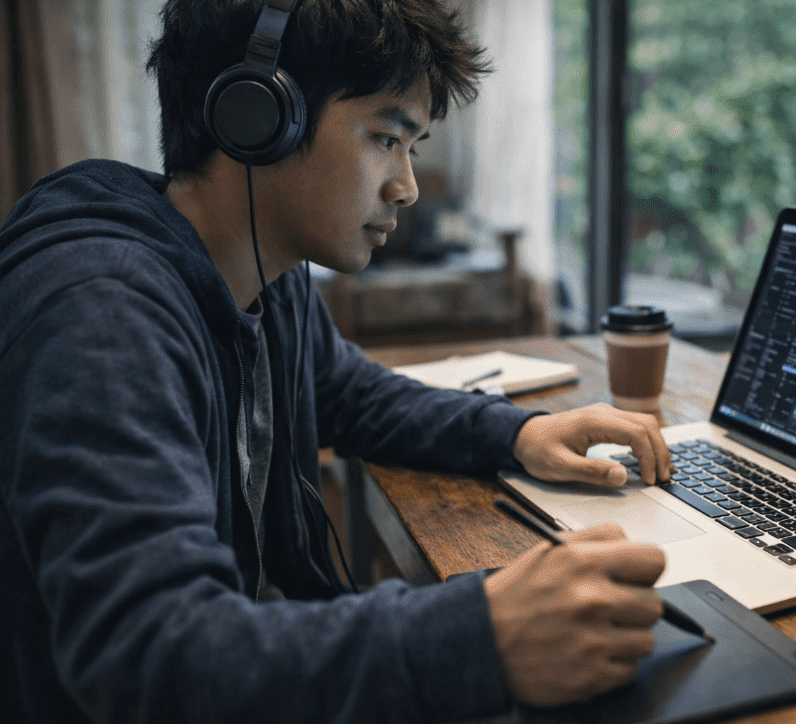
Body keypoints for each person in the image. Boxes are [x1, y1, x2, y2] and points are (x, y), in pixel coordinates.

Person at [0, 1, 678, 722]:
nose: (407, 186)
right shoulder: (101, 310)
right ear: (256, 118)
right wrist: (478, 636)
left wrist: (514, 433)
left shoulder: (267, 271)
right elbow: (146, 655)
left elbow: (349, 393)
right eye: (387, 137)